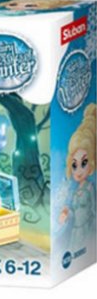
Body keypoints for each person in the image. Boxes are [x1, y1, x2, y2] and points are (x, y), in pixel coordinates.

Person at [59, 103, 96, 253]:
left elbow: (93, 211)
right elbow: (72, 209)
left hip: (87, 232)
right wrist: (66, 212)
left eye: (83, 163)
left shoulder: (90, 188)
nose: (78, 171)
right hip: (75, 233)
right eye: (75, 165)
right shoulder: (74, 190)